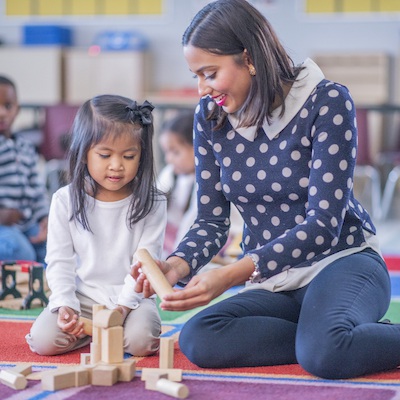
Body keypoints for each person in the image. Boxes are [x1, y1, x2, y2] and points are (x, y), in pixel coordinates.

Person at [133, 0, 398, 380]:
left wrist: (231, 275)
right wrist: (175, 266)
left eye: (209, 73)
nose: (202, 88)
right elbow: (210, 221)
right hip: (277, 281)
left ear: (249, 58)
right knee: (200, 338)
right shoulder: (209, 118)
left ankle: (329, 338)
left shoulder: (326, 101)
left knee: (326, 354)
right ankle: (331, 335)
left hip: (342, 262)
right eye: (196, 76)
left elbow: (323, 224)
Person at [26, 95, 167, 357]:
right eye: (104, 155)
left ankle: (102, 333)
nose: (117, 166)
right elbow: (59, 261)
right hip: (84, 298)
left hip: (131, 300)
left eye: (129, 155)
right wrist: (65, 305)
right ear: (83, 152)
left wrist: (122, 309)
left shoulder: (153, 201)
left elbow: (145, 265)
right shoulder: (64, 200)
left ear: (142, 156)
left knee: (141, 342)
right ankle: (98, 333)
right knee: (42, 341)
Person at [0, 75, 48, 264]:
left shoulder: (26, 148)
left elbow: (37, 188)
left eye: (8, 106)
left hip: (27, 224)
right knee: (22, 253)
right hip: (3, 227)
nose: (2, 112)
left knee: (53, 247)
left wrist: (44, 218)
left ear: (17, 109)